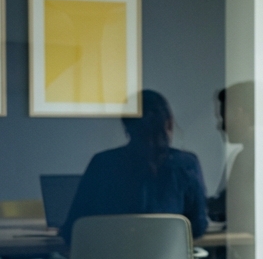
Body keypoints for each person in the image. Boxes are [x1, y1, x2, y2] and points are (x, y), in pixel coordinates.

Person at [61, 89, 208, 244]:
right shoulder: (186, 165)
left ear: (126, 125)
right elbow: (198, 227)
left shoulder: (102, 164)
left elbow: (73, 230)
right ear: (169, 123)